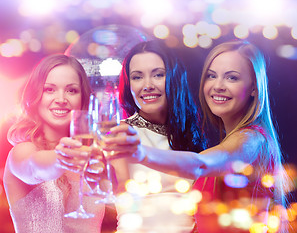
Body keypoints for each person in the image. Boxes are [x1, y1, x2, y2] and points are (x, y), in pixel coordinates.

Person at [106, 40, 288, 233]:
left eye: (232, 78)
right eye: (211, 76)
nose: (218, 86)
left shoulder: (252, 139)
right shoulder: (215, 138)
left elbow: (200, 165)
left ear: (254, 87)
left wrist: (141, 153)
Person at [111, 40, 207, 232]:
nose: (147, 85)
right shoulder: (122, 134)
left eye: (158, 75)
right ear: (129, 85)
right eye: (137, 77)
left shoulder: (194, 133)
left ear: (174, 78)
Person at [3, 54, 105, 233]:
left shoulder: (93, 156)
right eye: (49, 89)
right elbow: (34, 167)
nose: (61, 99)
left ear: (82, 98)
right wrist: (62, 157)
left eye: (71, 90)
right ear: (35, 95)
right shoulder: (22, 151)